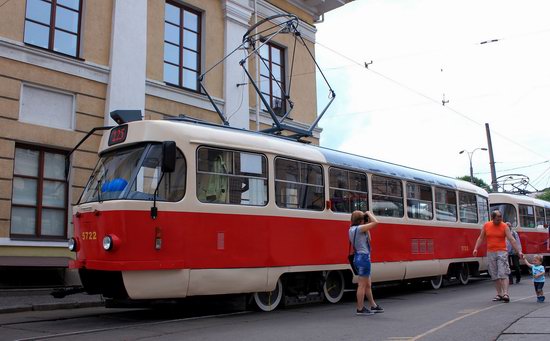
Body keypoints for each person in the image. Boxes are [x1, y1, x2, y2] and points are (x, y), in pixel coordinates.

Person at [473, 210, 523, 303]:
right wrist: (476, 248)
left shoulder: (504, 226)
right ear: (493, 218)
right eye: (497, 218)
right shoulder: (487, 225)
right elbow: (481, 237)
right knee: (494, 274)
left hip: (502, 252)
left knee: (503, 272)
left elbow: (511, 239)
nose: (499, 219)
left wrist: (518, 251)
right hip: (491, 252)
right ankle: (499, 294)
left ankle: (505, 294)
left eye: (500, 217)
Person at [349, 210, 383, 315]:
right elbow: (376, 223)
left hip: (357, 258)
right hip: (363, 259)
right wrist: (369, 214)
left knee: (367, 284)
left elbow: (369, 240)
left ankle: (373, 305)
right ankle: (360, 308)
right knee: (362, 285)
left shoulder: (351, 229)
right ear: (361, 220)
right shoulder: (359, 229)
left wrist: (366, 223)